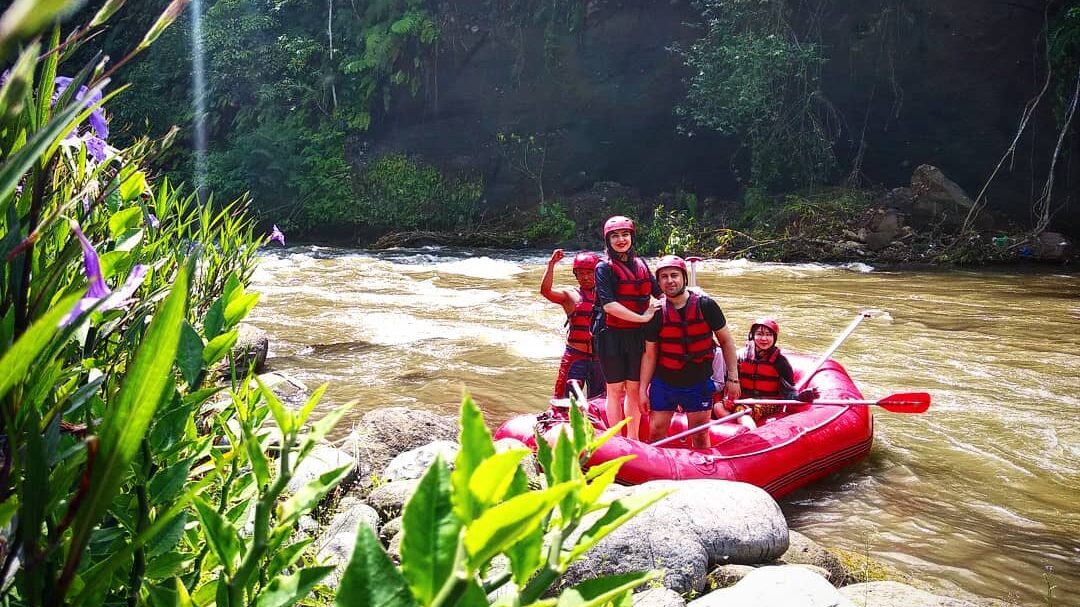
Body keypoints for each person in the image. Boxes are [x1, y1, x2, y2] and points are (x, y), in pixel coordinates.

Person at [639, 255, 741, 447]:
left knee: (701, 436)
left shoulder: (706, 305)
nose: (670, 280)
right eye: (664, 277)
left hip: (698, 382)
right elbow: (649, 354)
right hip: (665, 383)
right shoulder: (657, 313)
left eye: (674, 275)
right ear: (658, 282)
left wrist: (733, 378)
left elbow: (727, 342)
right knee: (655, 431)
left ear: (684, 278)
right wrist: (643, 390)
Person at [592, 216, 662, 440]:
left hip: (634, 337)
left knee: (633, 390)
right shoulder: (603, 268)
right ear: (608, 240)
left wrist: (688, 298)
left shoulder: (641, 265)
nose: (621, 240)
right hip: (610, 335)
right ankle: (616, 439)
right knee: (615, 390)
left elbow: (659, 292)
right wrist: (643, 318)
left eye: (625, 234)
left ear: (632, 237)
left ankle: (632, 439)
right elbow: (609, 305)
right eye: (615, 236)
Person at [720, 318, 815, 429]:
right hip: (743, 401)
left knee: (742, 411)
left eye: (768, 334)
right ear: (752, 336)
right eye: (759, 334)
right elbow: (729, 384)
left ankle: (752, 438)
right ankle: (737, 429)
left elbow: (789, 394)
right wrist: (727, 398)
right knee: (718, 407)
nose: (764, 338)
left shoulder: (781, 363)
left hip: (769, 403)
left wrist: (801, 397)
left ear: (774, 338)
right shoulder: (740, 357)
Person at [540, 249, 605, 399]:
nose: (586, 277)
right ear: (576, 275)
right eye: (581, 273)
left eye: (590, 273)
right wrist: (551, 264)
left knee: (600, 401)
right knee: (565, 401)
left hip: (600, 359)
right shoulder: (570, 295)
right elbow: (545, 291)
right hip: (575, 357)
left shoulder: (607, 297)